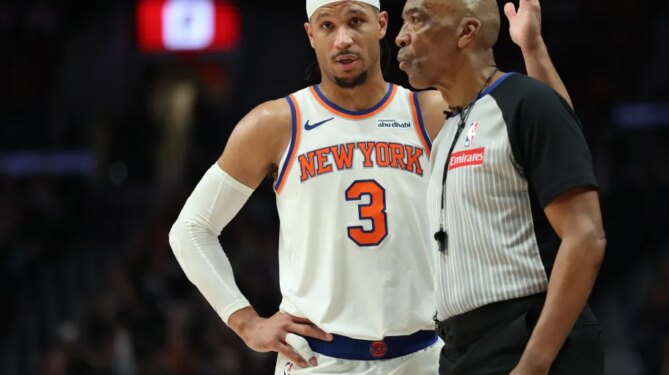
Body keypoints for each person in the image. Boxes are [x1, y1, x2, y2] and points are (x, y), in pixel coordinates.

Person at [169, 0, 570, 373]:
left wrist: (533, 49)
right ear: (311, 35)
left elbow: (553, 136)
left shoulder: (429, 111)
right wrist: (245, 321)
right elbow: (191, 229)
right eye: (327, 25)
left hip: (425, 356)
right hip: (318, 361)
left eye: (355, 22)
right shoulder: (275, 123)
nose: (343, 38)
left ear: (381, 26)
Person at [396, 0, 606, 374]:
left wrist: (533, 364)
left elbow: (586, 237)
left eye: (416, 19)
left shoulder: (523, 103)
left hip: (528, 339)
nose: (400, 37)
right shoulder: (448, 130)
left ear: (466, 31)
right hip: (460, 348)